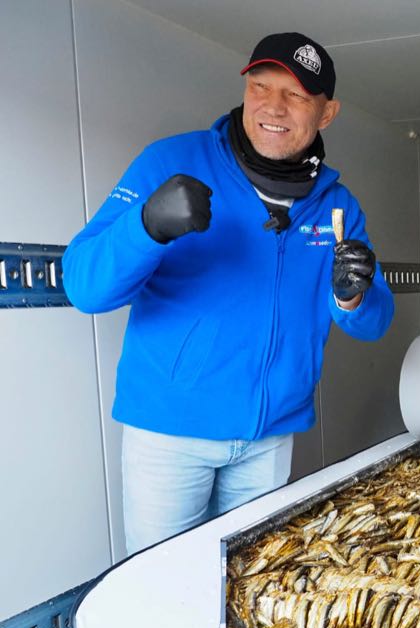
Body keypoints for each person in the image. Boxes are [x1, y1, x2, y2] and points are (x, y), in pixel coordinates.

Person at [63, 32, 394, 555]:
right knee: (160, 592)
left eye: (297, 96)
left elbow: (375, 321)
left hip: (269, 440)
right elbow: (83, 286)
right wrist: (146, 224)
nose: (274, 107)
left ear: (327, 113)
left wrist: (353, 296)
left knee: (247, 590)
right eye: (261, 87)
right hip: (171, 434)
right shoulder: (171, 160)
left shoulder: (338, 204)